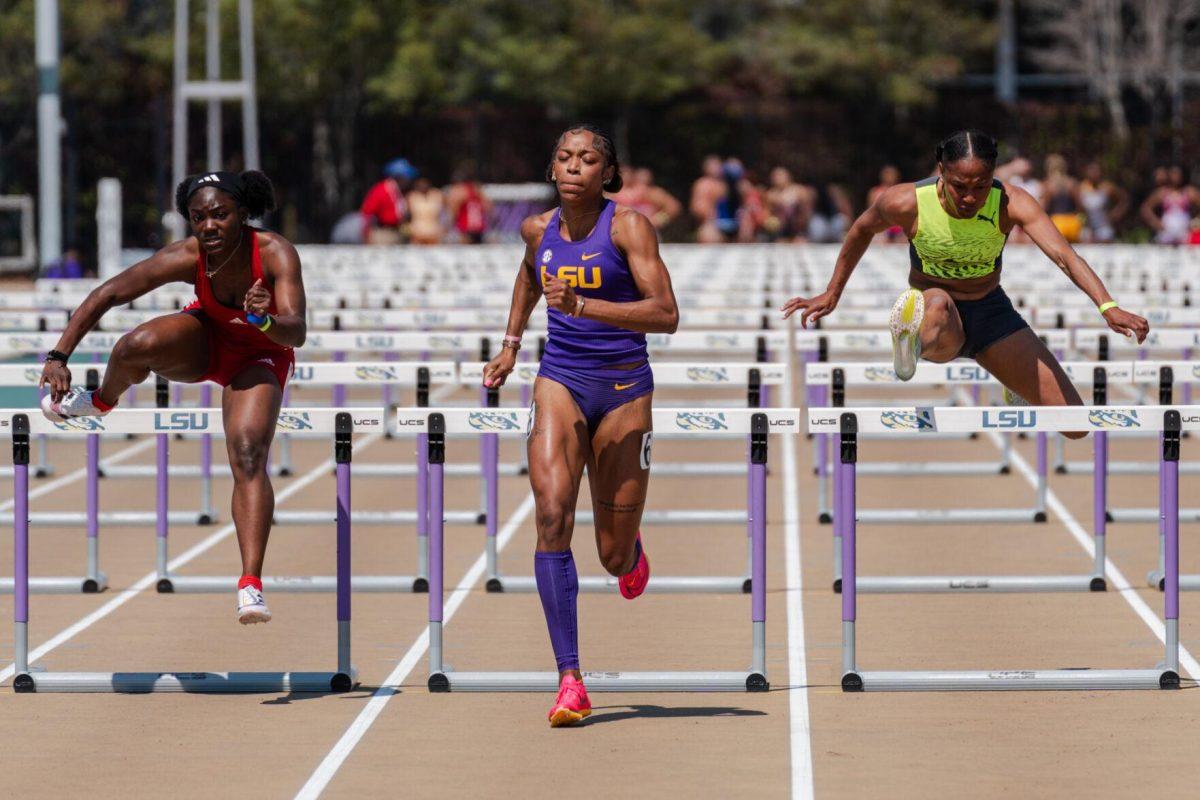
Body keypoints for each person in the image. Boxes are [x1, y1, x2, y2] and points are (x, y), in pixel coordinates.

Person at [39, 170, 306, 623]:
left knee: (247, 455)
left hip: (260, 354)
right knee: (133, 346)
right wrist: (59, 354)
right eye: (198, 217)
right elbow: (108, 294)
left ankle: (250, 586)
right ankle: (102, 401)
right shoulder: (189, 255)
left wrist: (262, 320)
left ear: (242, 213)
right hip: (205, 343)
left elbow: (296, 332)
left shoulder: (275, 252)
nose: (209, 226)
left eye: (219, 215)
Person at [481, 124, 679, 727]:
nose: (574, 167)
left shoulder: (628, 227)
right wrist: (512, 343)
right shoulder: (536, 229)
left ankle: (629, 550)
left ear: (606, 173)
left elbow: (666, 314)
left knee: (612, 558)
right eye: (564, 157)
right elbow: (526, 275)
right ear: (552, 168)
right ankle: (570, 678)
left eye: (587, 159)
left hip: (623, 388)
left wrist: (582, 305)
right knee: (551, 514)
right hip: (560, 379)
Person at [782, 129, 1149, 440]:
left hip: (991, 314)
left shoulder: (1012, 202)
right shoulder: (906, 201)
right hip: (938, 314)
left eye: (981, 185)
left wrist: (1107, 306)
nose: (971, 197)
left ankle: (1012, 381)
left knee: (1075, 425)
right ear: (941, 171)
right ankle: (908, 342)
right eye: (960, 186)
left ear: (994, 176)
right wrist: (833, 291)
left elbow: (1064, 256)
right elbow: (861, 230)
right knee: (938, 303)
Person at [360, 158, 417, 244]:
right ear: (398, 177)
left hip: (396, 232)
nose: (409, 181)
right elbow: (368, 213)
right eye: (407, 177)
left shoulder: (398, 192)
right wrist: (367, 233)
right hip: (383, 233)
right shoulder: (381, 190)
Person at [1141, 166, 1200, 245]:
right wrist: (1156, 223)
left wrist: (1196, 222)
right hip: (1166, 232)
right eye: (1173, 174)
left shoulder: (1189, 192)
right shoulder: (1162, 192)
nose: (1176, 177)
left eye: (1178, 174)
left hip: (1185, 232)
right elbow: (1146, 208)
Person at [1078, 161, 1128, 243]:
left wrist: (1115, 214)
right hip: (1088, 227)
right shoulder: (1081, 188)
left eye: (1096, 171)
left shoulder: (1107, 187)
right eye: (1091, 171)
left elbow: (1124, 199)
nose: (1093, 174)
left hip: (1104, 226)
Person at [1042, 154, 1083, 243]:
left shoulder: (1048, 185)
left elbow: (1044, 207)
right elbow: (1079, 205)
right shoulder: (1072, 183)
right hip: (1072, 222)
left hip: (1056, 222)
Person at [447, 164, 492, 244]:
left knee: (465, 253)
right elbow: (488, 208)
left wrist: (451, 224)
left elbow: (454, 211)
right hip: (479, 227)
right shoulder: (478, 191)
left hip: (466, 227)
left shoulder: (459, 191)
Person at [765, 167, 812, 242]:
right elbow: (767, 214)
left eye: (780, 175)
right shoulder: (770, 194)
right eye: (775, 176)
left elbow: (806, 208)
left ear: (788, 176)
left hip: (798, 227)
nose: (777, 178)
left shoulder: (799, 190)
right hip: (780, 228)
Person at [689, 155, 728, 243]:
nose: (716, 168)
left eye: (718, 165)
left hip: (729, 224)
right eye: (713, 165)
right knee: (710, 235)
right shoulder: (702, 185)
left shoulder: (726, 184)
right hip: (710, 224)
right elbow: (697, 208)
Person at [868, 166, 904, 243]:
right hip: (882, 225)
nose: (890, 177)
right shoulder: (875, 192)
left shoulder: (901, 191)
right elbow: (871, 212)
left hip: (897, 225)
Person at [406, 176, 445, 245]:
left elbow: (444, 214)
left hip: (434, 233)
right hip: (417, 233)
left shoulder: (437, 195)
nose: (423, 186)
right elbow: (407, 214)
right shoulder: (412, 196)